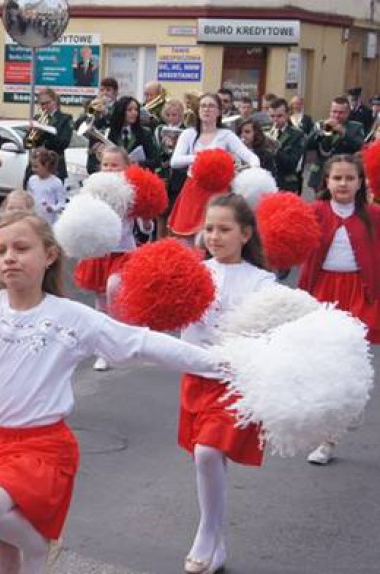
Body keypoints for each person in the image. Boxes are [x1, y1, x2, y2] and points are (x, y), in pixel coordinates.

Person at [0, 212, 223, 574]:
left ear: (49, 255)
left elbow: (138, 343)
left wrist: (218, 364)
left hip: (41, 449)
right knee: (0, 551)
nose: (9, 257)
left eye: (21, 248)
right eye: (0, 250)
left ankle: (39, 547)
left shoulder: (71, 317)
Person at [178, 193, 276, 574]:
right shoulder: (194, 270)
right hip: (197, 375)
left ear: (246, 234)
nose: (214, 236)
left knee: (207, 452)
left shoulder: (261, 281)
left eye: (224, 229)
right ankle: (215, 543)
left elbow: (267, 331)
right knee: (205, 456)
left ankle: (207, 533)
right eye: (209, 228)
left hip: (235, 381)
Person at [297, 155, 379, 465]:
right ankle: (327, 434)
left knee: (350, 361)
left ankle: (331, 434)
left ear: (361, 183)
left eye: (350, 178)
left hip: (360, 293)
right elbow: (287, 239)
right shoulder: (314, 211)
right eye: (337, 178)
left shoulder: (373, 215)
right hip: (322, 293)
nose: (343, 183)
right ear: (327, 182)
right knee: (323, 365)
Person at [75, 147, 151, 371]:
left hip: (123, 251)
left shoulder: (130, 193)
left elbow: (144, 225)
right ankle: (104, 350)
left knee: (114, 288)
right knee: (100, 301)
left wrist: (147, 221)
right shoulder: (92, 192)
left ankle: (122, 335)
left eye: (115, 165)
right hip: (100, 251)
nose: (109, 169)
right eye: (105, 165)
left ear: (126, 168)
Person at [168, 93, 259, 241]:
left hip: (218, 192)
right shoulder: (189, 134)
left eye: (211, 106)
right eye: (203, 106)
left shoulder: (226, 135)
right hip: (193, 189)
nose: (206, 109)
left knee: (216, 234)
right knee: (188, 238)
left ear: (219, 112)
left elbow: (250, 156)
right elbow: (175, 161)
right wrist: (203, 157)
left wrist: (255, 169)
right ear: (198, 110)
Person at [87, 96, 159, 174]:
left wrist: (134, 163)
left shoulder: (145, 133)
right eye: (129, 110)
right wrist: (104, 160)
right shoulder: (106, 133)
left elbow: (155, 161)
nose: (134, 113)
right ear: (120, 111)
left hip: (136, 177)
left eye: (136, 110)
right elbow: (91, 166)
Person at [23, 89, 73, 181]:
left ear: (55, 101)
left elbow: (63, 143)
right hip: (35, 167)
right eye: (42, 104)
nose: (44, 106)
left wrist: (45, 132)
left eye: (47, 103)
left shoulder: (65, 118)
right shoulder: (37, 118)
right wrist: (31, 134)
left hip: (54, 166)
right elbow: (27, 145)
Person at [155, 99, 188, 236]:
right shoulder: (159, 130)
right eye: (168, 115)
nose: (171, 118)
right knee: (160, 214)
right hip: (163, 175)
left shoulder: (187, 131)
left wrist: (175, 147)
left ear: (181, 115)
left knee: (174, 213)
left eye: (174, 115)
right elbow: (155, 151)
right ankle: (159, 243)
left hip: (179, 177)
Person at [265, 98, 307, 192]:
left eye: (279, 116)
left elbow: (292, 163)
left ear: (288, 114)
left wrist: (275, 149)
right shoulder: (266, 131)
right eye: (272, 116)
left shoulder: (297, 135)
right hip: (267, 180)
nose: (275, 120)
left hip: (285, 183)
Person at [26, 148, 66, 225]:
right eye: (32, 166)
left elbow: (61, 203)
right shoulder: (32, 180)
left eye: (36, 166)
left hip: (49, 221)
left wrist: (53, 208)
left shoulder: (56, 182)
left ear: (46, 165)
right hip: (34, 218)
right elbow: (29, 196)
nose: (33, 169)